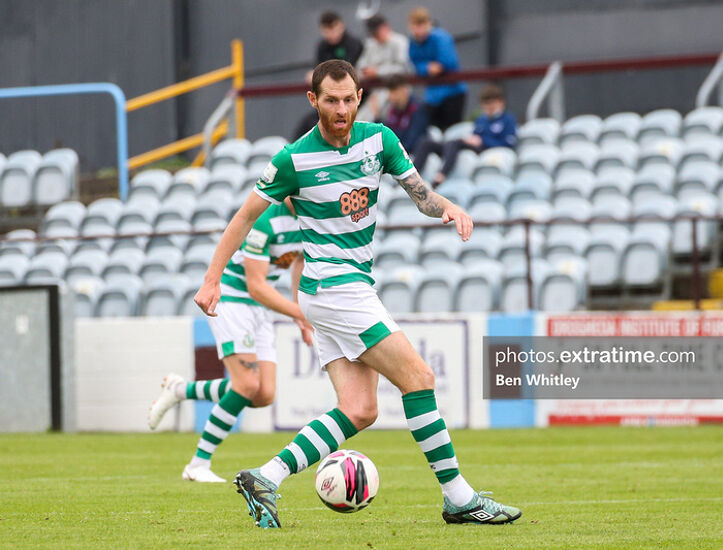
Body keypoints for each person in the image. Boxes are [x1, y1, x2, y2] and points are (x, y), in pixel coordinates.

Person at [193, 59, 521, 528]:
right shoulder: (293, 160)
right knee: (420, 378)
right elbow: (244, 218)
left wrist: (447, 207)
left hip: (343, 289)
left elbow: (419, 195)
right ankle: (460, 499)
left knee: (360, 409)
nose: (341, 108)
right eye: (331, 100)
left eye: (349, 99)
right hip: (334, 289)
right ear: (314, 101)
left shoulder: (379, 140)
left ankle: (266, 476)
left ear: (360, 97)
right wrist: (211, 278)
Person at [148, 200, 313, 482]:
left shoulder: (310, 217)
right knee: (247, 384)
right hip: (233, 299)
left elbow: (299, 260)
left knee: (263, 394)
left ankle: (180, 390)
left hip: (259, 308)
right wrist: (301, 313)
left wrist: (299, 312)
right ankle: (198, 464)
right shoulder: (266, 221)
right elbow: (256, 285)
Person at [413, 84, 517, 186]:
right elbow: (475, 136)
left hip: (485, 149)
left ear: (501, 103)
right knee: (427, 143)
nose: (489, 108)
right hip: (472, 146)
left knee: (456, 143)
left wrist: (483, 141)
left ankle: (442, 174)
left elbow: (508, 143)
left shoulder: (508, 120)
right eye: (486, 104)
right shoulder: (481, 120)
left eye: (492, 104)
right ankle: (411, 176)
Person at [294, 11, 365, 140]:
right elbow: (318, 71)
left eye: (334, 29)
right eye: (327, 30)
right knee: (306, 126)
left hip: (354, 101)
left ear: (341, 26)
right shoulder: (322, 46)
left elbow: (347, 73)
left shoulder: (353, 43)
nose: (331, 34)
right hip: (329, 99)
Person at [407, 7, 467, 131]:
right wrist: (427, 67)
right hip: (432, 97)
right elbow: (415, 65)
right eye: (416, 26)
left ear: (429, 24)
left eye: (422, 25)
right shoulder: (413, 43)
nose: (419, 30)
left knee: (452, 131)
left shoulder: (441, 37)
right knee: (433, 132)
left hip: (453, 94)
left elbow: (449, 62)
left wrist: (436, 67)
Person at [356, 13, 412, 121]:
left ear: (386, 27)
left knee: (384, 119)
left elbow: (403, 68)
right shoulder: (371, 44)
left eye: (377, 33)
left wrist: (378, 72)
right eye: (373, 34)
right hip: (375, 92)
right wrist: (365, 72)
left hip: (396, 90)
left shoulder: (400, 42)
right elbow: (360, 66)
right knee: (358, 120)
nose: (375, 36)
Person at [381, 74, 429, 152]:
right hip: (396, 154)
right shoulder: (393, 111)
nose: (390, 97)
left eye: (394, 92)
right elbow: (387, 136)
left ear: (404, 91)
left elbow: (413, 142)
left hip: (412, 156)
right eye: (390, 92)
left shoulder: (417, 110)